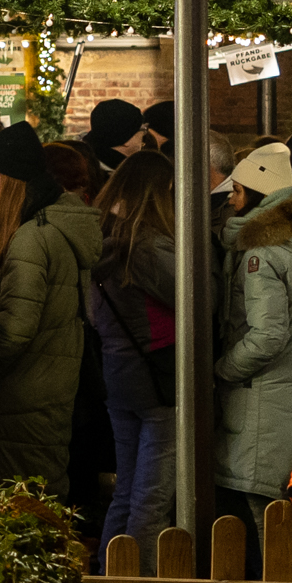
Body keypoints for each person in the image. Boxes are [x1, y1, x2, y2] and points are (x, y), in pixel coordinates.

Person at [0, 122, 101, 502]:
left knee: (21, 505)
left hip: (18, 400)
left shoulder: (31, 237)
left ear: (12, 179)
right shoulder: (50, 227)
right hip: (45, 390)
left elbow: (14, 331)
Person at [210, 171, 292, 551]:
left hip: (259, 407)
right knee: (288, 522)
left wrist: (222, 370)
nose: (231, 200)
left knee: (265, 530)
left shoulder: (261, 253)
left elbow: (267, 337)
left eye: (236, 191)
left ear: (257, 196)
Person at [88, 149, 183, 539]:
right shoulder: (147, 246)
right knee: (152, 498)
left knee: (125, 490)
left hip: (117, 369)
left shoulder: (102, 239)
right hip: (156, 374)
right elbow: (196, 298)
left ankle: (110, 576)